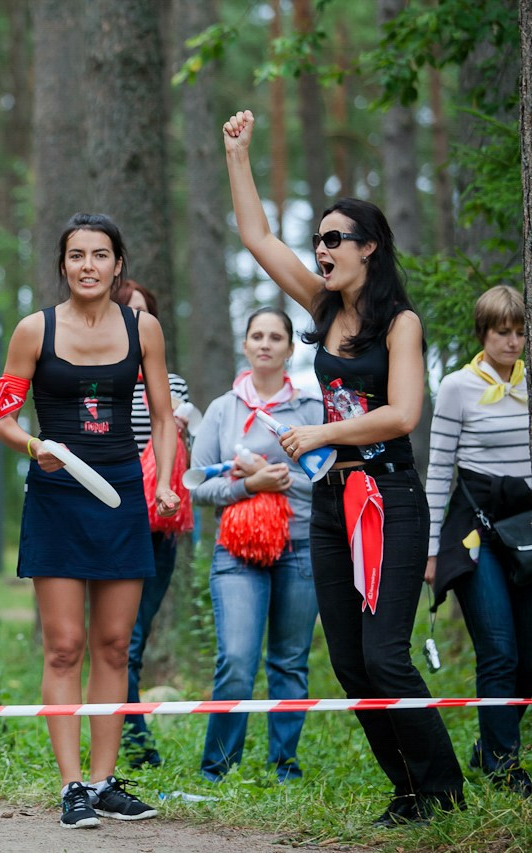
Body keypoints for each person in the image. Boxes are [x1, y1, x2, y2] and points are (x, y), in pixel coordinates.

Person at [223, 109, 464, 826]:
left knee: (387, 655)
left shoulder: (401, 323)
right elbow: (256, 237)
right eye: (318, 239)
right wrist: (237, 154)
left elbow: (402, 414)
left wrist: (322, 427)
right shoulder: (324, 308)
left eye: (333, 239)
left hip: (388, 494)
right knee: (353, 666)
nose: (320, 249)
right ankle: (407, 792)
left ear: (370, 247)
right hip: (331, 500)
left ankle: (442, 790)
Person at [0, 212, 178, 827]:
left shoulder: (142, 327)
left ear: (118, 264)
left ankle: (103, 783)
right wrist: (31, 446)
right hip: (56, 494)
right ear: (62, 264)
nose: (88, 265)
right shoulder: (33, 330)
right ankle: (71, 787)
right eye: (76, 255)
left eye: (100, 255)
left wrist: (168, 480)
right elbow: (3, 415)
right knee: (66, 646)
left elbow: (164, 416)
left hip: (122, 491)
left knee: (115, 645)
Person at [188, 307, 322, 783]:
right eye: (256, 336)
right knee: (237, 662)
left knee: (289, 662)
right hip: (237, 553)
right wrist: (250, 486)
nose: (265, 344)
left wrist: (276, 481)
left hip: (302, 548)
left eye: (276, 337)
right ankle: (218, 769)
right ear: (245, 346)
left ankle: (285, 765)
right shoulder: (225, 408)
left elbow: (327, 479)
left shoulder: (310, 409)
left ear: (290, 348)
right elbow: (195, 484)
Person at [424, 285, 531, 797]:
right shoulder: (457, 387)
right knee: (500, 650)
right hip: (477, 531)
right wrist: (428, 548)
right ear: (483, 334)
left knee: (528, 655)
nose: (512, 343)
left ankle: (490, 747)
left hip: (527, 531)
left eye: (519, 332)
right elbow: (440, 470)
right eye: (501, 332)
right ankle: (504, 767)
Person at [114, 279, 192, 768]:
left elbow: (192, 455)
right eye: (129, 313)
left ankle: (129, 735)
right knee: (124, 637)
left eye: (145, 314)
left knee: (136, 632)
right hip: (117, 519)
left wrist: (185, 428)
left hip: (161, 521)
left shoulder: (175, 384)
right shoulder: (101, 377)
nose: (137, 323)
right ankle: (134, 741)